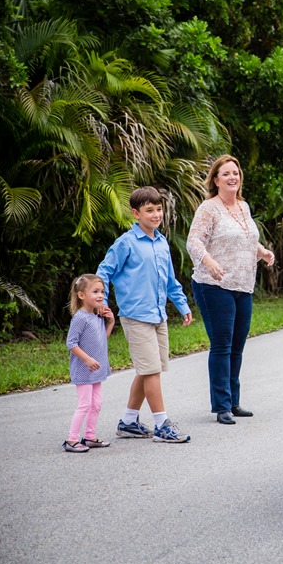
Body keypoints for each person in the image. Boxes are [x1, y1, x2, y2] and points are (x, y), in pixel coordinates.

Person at [97, 186, 194, 443]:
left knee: (149, 369)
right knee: (150, 370)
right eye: (149, 210)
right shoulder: (126, 243)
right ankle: (162, 425)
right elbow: (104, 272)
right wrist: (101, 301)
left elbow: (171, 280)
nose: (155, 214)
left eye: (159, 209)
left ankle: (128, 422)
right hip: (135, 315)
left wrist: (182, 306)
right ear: (135, 213)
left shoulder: (161, 242)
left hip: (158, 315)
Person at [187, 155, 275, 425]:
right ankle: (222, 406)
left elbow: (245, 239)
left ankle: (234, 402)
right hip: (213, 285)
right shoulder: (208, 208)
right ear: (216, 180)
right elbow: (193, 242)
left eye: (235, 172)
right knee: (222, 345)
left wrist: (262, 252)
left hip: (242, 284)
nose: (232, 177)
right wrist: (210, 262)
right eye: (225, 173)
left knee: (237, 346)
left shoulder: (243, 207)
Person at [63, 274, 115, 453]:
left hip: (96, 369)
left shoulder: (96, 316)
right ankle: (71, 440)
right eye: (95, 291)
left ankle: (90, 437)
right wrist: (87, 359)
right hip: (84, 369)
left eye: (102, 291)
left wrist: (111, 322)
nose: (100, 295)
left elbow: (102, 339)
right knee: (85, 404)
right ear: (81, 295)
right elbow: (71, 343)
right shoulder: (80, 318)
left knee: (96, 404)